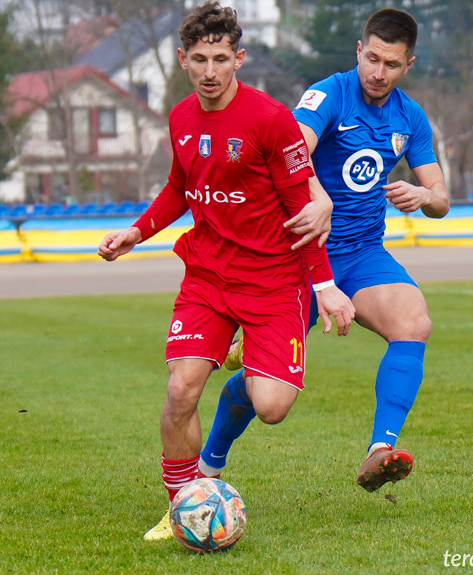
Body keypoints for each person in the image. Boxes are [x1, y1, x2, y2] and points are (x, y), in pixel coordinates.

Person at [97, 1, 354, 541]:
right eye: (199, 59)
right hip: (208, 277)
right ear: (182, 61)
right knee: (180, 390)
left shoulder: (270, 120)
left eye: (220, 58)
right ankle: (183, 504)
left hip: (272, 281)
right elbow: (178, 190)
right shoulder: (180, 117)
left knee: (273, 407)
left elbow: (300, 214)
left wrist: (325, 288)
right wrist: (137, 232)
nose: (210, 71)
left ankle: (247, 358)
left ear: (240, 58)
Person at [198, 8, 450, 493]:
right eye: (372, 59)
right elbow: (288, 154)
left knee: (414, 322)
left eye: (391, 65)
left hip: (361, 253)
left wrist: (424, 197)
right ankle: (209, 466)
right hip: (297, 256)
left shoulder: (410, 117)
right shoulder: (328, 94)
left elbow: (440, 199)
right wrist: (319, 195)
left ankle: (381, 449)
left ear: (408, 65)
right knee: (264, 392)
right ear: (359, 50)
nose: (378, 73)